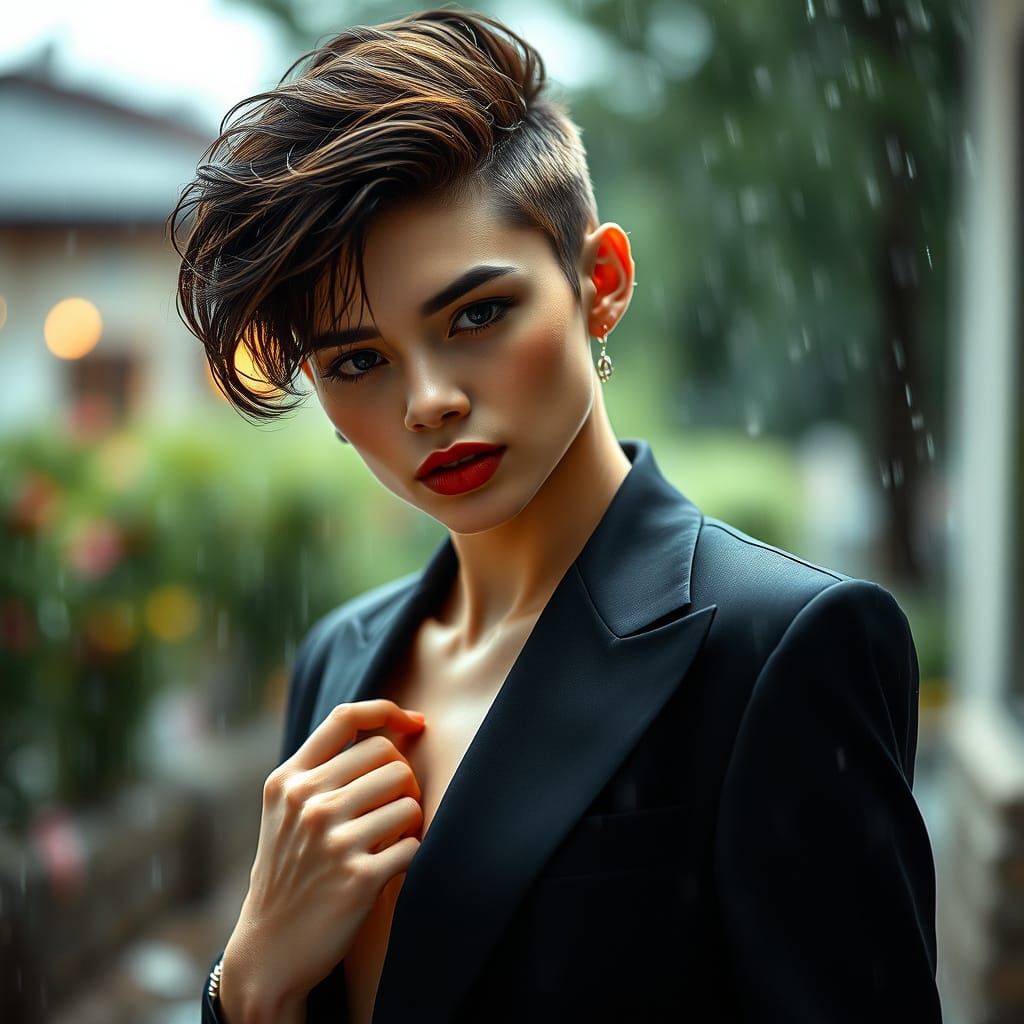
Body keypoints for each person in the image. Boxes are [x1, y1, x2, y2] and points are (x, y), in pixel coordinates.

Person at [170, 8, 943, 1023]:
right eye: (358, 361)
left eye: (476, 314)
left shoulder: (779, 648)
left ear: (600, 283)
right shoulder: (337, 660)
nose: (429, 401)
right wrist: (248, 983)